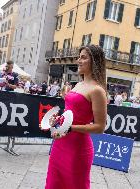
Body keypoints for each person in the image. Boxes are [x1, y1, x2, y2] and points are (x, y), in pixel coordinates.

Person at [45, 45, 107, 189]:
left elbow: (100, 127)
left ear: (95, 61)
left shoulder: (97, 90)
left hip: (77, 151)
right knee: (53, 184)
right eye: (79, 57)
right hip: (60, 144)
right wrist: (58, 121)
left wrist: (70, 128)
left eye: (83, 57)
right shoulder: (78, 84)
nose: (78, 60)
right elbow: (71, 113)